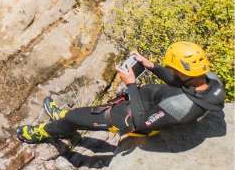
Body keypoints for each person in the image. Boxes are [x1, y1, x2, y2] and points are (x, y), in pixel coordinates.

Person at [17, 42, 225, 143]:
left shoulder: (179, 106)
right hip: (146, 102)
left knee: (73, 117)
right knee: (81, 113)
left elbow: (141, 123)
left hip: (129, 116)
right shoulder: (209, 80)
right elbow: (178, 81)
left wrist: (131, 85)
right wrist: (151, 66)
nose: (170, 70)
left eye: (172, 68)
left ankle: (43, 132)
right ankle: (62, 119)